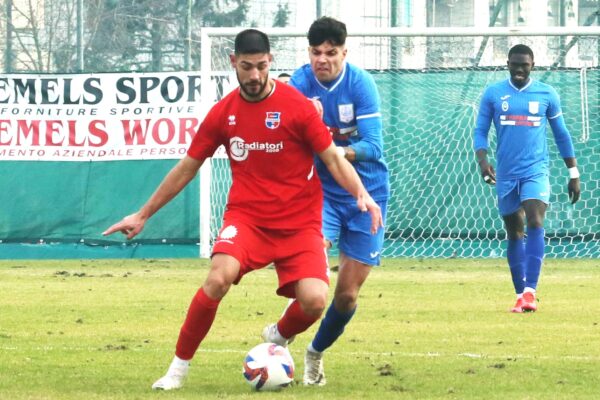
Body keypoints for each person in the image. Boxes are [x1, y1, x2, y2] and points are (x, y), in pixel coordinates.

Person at [103, 28, 382, 391]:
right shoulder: (223, 114)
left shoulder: (297, 106)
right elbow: (187, 166)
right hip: (247, 220)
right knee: (218, 278)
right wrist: (143, 214)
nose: (254, 76)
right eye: (247, 67)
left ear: (271, 63)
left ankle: (278, 335)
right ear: (234, 63)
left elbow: (331, 156)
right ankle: (177, 369)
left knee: (315, 301)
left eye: (262, 67)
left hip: (299, 225)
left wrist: (361, 192)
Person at [263, 17, 389, 386]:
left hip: (368, 194)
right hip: (319, 194)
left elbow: (374, 146)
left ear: (344, 52)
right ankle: (281, 334)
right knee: (312, 260)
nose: (323, 59)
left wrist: (333, 151)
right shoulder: (298, 85)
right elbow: (280, 133)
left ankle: (315, 353)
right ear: (309, 53)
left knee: (347, 295)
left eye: (331, 53)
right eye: (316, 52)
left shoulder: (360, 84)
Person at [474, 44, 580, 313]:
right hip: (506, 174)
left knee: (534, 219)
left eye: (525, 64)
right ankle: (520, 295)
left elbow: (562, 134)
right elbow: (480, 131)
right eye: (515, 64)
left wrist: (573, 173)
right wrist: (483, 162)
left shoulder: (547, 93)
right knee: (514, 232)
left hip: (536, 170)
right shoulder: (494, 94)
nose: (520, 69)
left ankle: (531, 291)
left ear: (533, 65)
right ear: (507, 64)